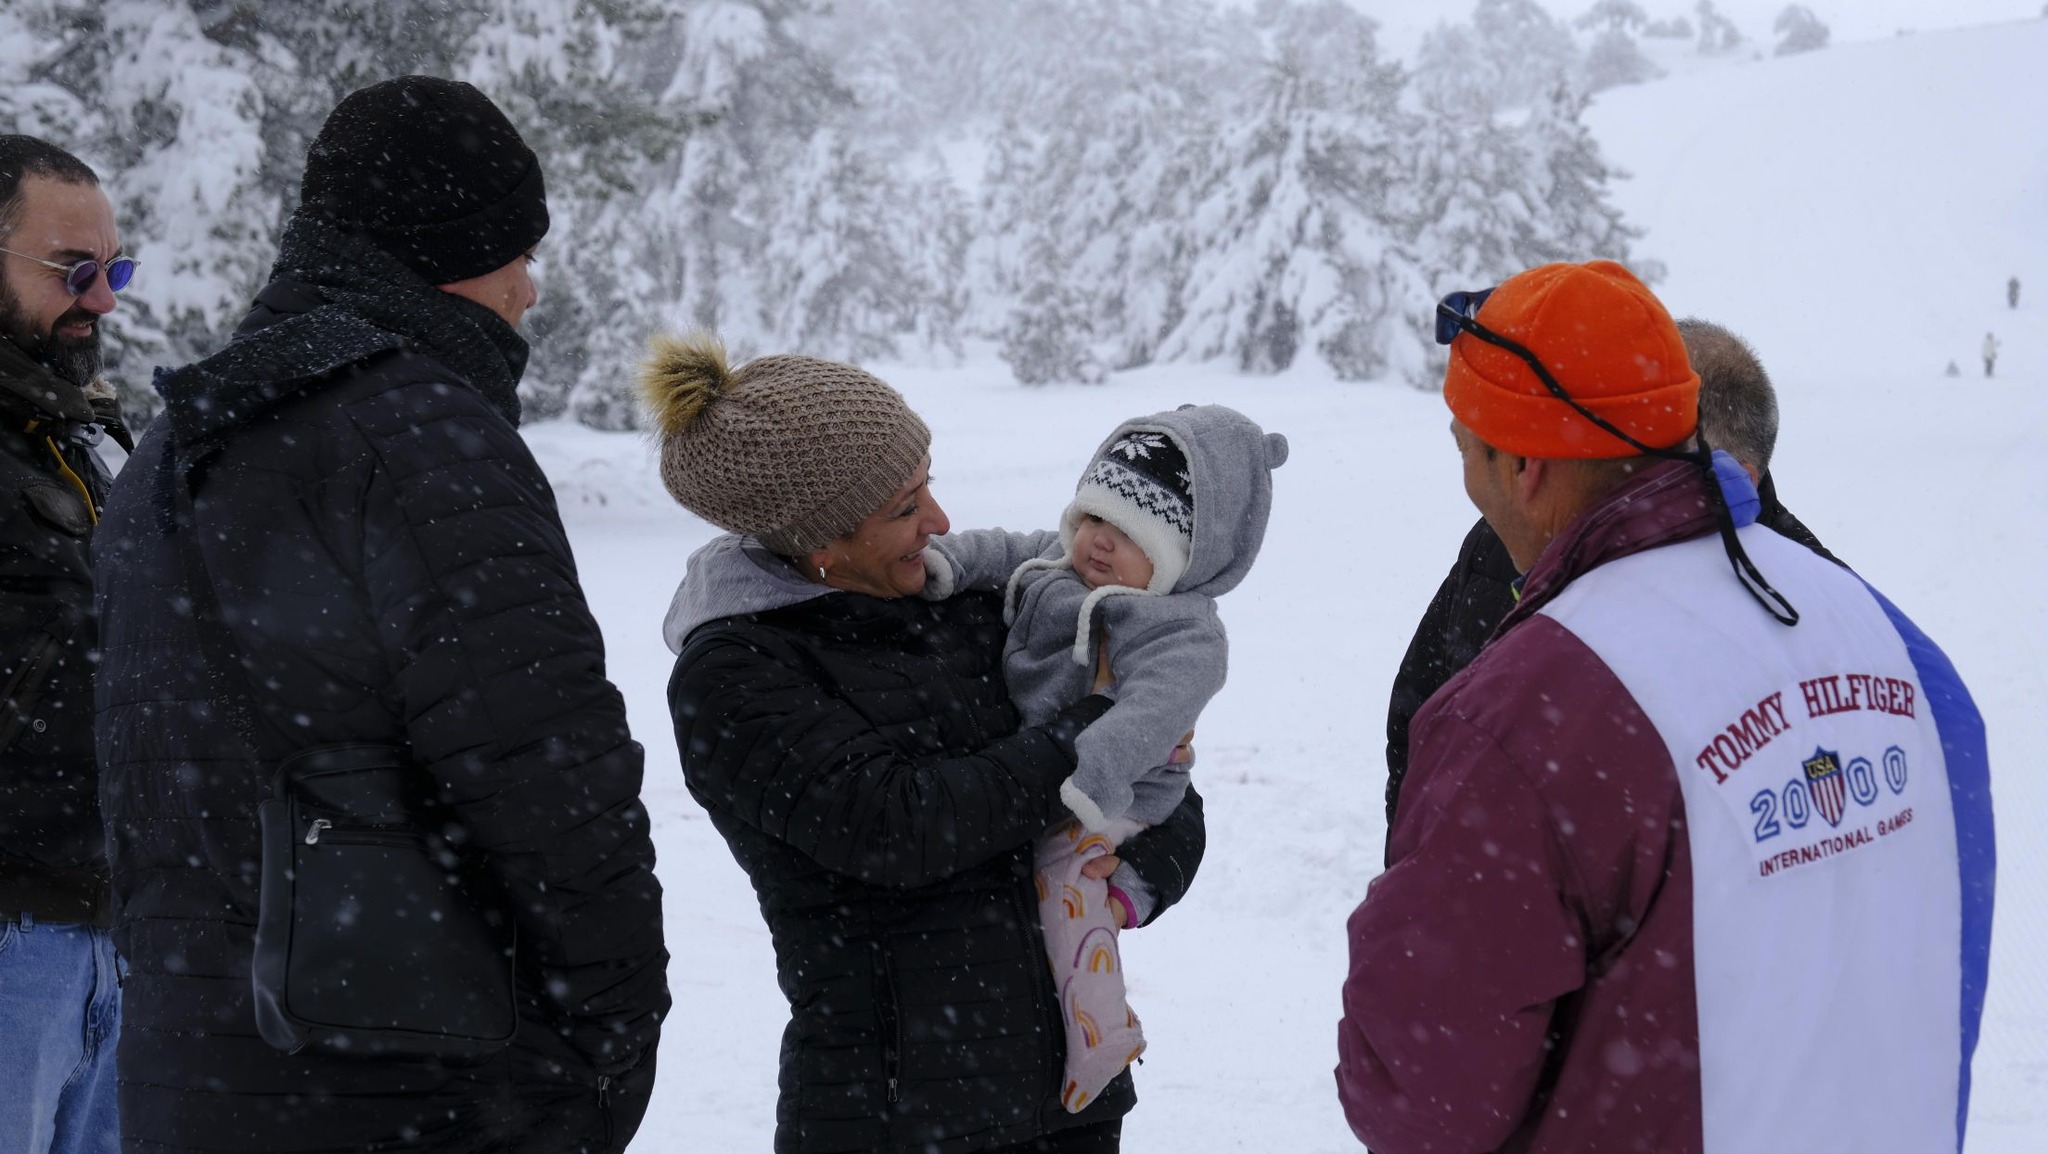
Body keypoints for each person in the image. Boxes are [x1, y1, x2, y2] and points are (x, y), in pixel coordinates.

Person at [90, 77, 668, 1153]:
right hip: (418, 1077)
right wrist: (618, 1027)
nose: (529, 293)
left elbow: (146, 795)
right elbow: (550, 771)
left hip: (190, 1073)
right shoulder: (419, 437)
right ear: (449, 250)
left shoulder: (167, 450)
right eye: (519, 255)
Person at [1336, 261, 1993, 1153]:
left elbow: (1422, 1097)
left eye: (1465, 447)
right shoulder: (1904, 652)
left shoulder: (1527, 713)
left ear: (1524, 464)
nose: (1470, 485)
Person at [643, 333, 1208, 1154]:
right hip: (896, 1115)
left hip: (1072, 1101)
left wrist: (1132, 879)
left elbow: (1164, 792)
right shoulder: (735, 675)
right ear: (821, 543)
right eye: (903, 509)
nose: (939, 523)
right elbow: (901, 828)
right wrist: (1096, 732)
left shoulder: (971, 605)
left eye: (927, 486)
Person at [918, 405, 1285, 1110]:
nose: (1098, 543)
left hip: (1116, 793)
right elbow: (996, 550)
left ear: (1184, 556)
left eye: (1129, 533)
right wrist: (945, 564)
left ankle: (1101, 1035)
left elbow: (1151, 716)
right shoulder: (1056, 569)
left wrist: (1090, 779)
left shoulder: (1181, 631)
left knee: (1066, 886)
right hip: (1052, 775)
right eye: (1092, 519)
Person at [1381, 316, 1837, 828]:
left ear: (1740, 477)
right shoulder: (1507, 539)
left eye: (1656, 458)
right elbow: (1419, 716)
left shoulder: (1815, 601)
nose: (1618, 475)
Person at [0, 134, 134, 1154]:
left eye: (114, 268)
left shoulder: (79, 437)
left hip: (108, 939)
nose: (102, 300)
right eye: (71, 270)